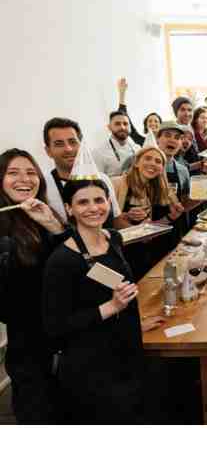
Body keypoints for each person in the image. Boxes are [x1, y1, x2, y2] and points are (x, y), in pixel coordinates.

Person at [43, 178, 148, 423]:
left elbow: (118, 286)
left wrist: (136, 317)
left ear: (109, 202)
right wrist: (111, 307)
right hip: (91, 365)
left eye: (99, 200)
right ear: (69, 208)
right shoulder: (62, 261)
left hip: (127, 350)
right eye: (83, 202)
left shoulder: (114, 238)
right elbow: (55, 326)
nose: (93, 208)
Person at [0, 149, 67, 423]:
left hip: (64, 335)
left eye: (30, 172)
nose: (24, 179)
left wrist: (53, 225)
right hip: (29, 344)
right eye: (13, 173)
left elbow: (75, 262)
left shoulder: (45, 214)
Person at [112, 146, 184, 278]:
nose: (153, 163)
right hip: (120, 256)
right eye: (148, 158)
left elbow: (149, 228)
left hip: (141, 255)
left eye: (158, 161)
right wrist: (127, 218)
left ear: (162, 168)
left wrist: (170, 217)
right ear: (136, 163)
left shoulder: (152, 189)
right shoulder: (116, 183)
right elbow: (108, 221)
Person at [42, 118, 121, 226]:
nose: (68, 149)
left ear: (81, 144)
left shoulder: (103, 179)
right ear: (48, 151)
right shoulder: (45, 186)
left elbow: (116, 219)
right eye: (59, 144)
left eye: (73, 142)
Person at [93, 110, 140, 177]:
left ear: (130, 127)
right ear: (109, 127)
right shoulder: (99, 152)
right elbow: (98, 180)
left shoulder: (137, 148)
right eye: (117, 124)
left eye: (125, 124)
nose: (122, 127)